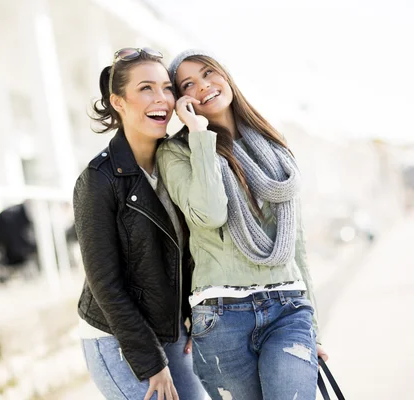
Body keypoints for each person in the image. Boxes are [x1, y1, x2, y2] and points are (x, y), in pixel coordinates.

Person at [157, 49, 328, 400]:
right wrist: (199, 135)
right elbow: (210, 213)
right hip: (222, 316)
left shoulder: (272, 144)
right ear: (181, 101)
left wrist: (315, 331)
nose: (204, 86)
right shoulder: (177, 152)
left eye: (208, 73)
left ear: (225, 74)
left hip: (288, 306)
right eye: (189, 84)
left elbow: (295, 244)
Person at [73, 48, 206, 400]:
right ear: (118, 102)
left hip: (169, 327)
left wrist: (192, 315)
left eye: (166, 87)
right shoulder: (99, 179)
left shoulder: (178, 162)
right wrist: (151, 363)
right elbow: (105, 284)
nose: (161, 98)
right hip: (116, 337)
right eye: (146, 88)